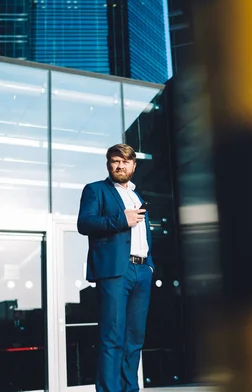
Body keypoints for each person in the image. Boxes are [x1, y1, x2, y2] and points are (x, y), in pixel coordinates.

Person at [77, 143, 154, 392]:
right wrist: (122, 219)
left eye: (125, 161)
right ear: (108, 164)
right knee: (112, 338)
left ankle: (130, 389)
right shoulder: (96, 190)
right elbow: (85, 223)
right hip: (115, 272)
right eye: (115, 161)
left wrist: (150, 266)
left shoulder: (137, 195)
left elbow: (143, 235)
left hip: (142, 271)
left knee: (134, 339)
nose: (120, 165)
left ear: (133, 165)